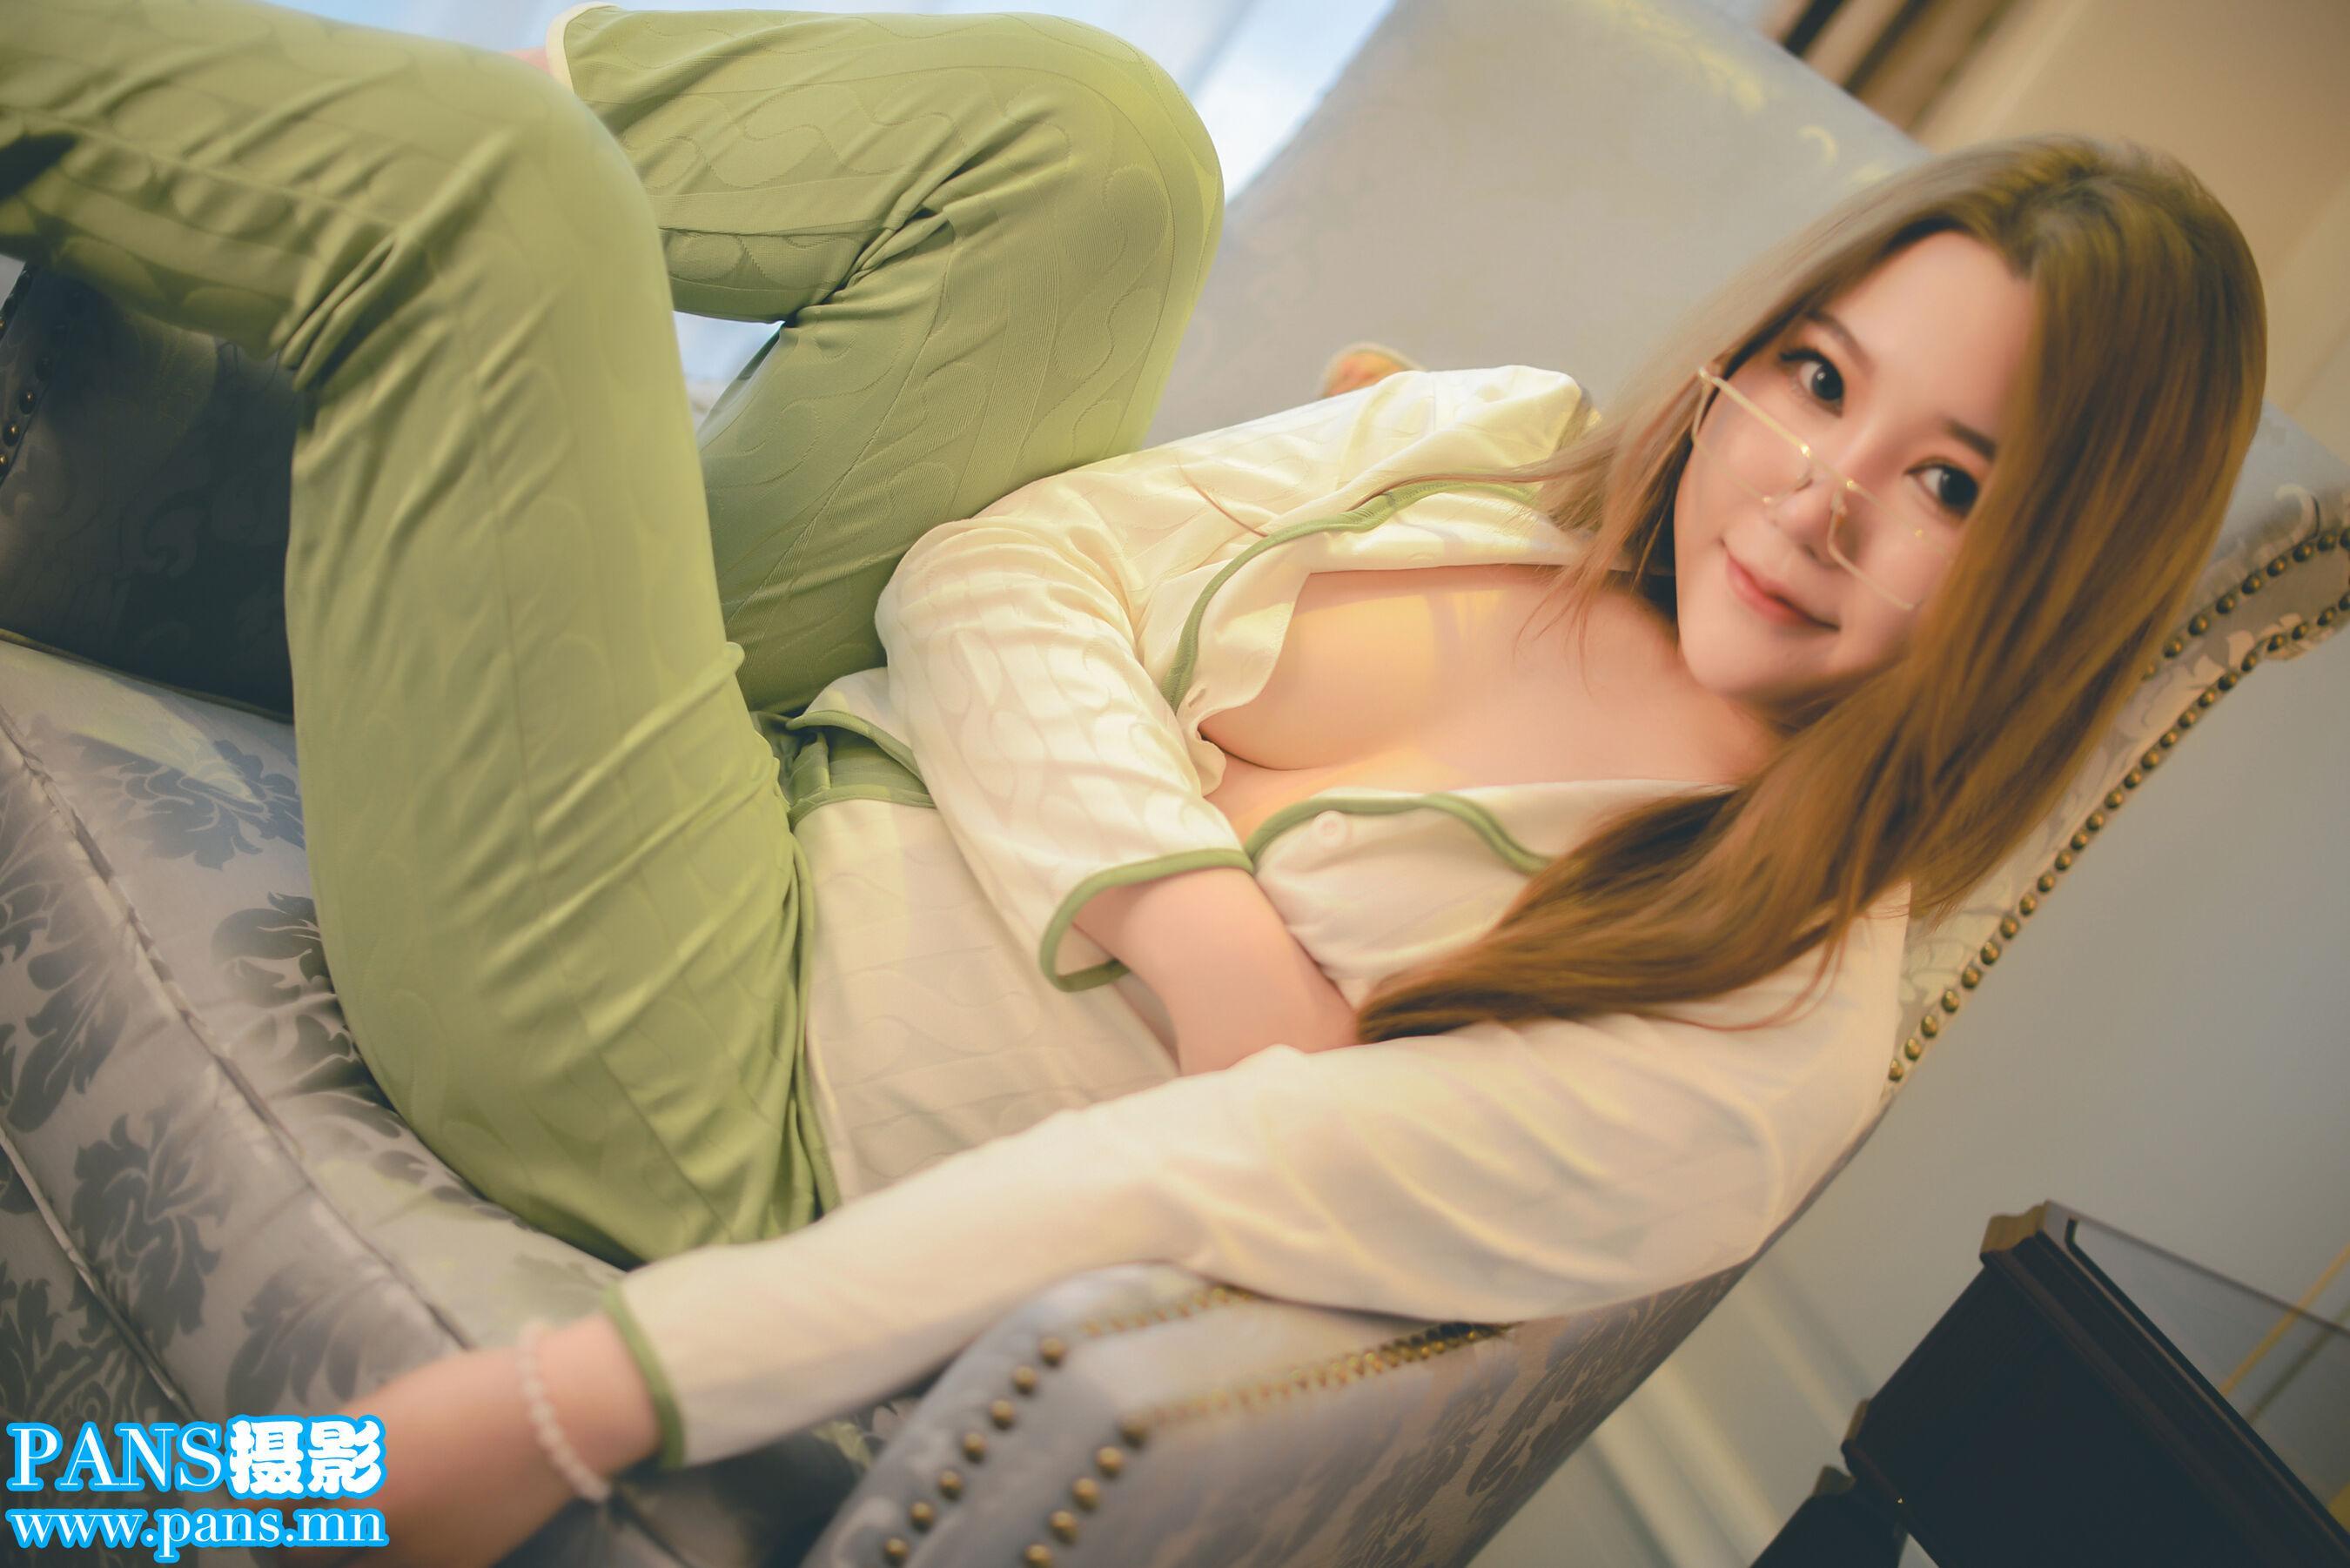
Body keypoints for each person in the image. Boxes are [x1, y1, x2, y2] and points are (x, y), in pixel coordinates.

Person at [0, 3, 2266, 1565]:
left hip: (721, 1092)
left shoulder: (1751, 1026)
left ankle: (373, 185)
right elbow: (991, 572)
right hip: (776, 768)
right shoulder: (1500, 442)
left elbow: (1173, 1177)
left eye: (1950, 482)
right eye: (1816, 377)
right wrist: (1207, 934)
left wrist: (550, 1407)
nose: (1813, 493)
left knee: (501, 210)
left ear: (2051, 581)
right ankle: (456, 136)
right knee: (1101, 153)